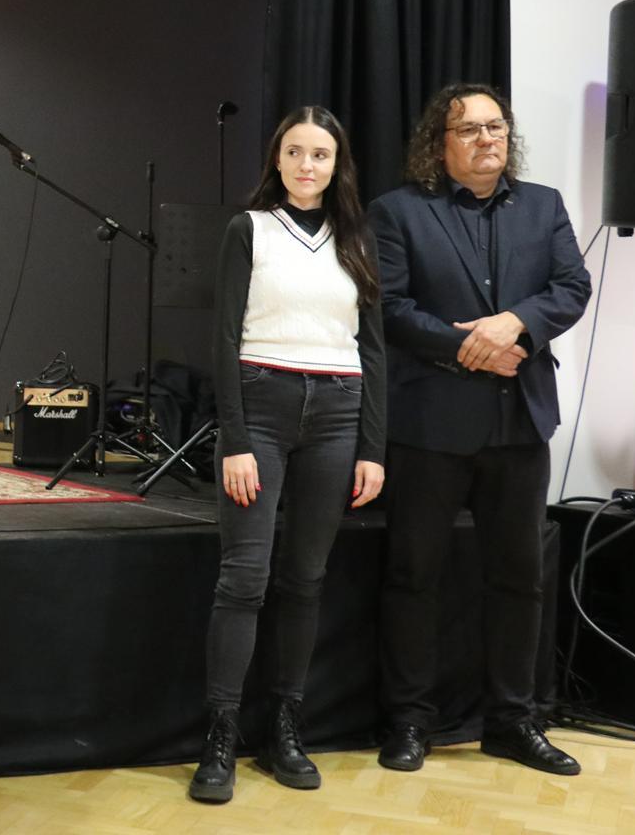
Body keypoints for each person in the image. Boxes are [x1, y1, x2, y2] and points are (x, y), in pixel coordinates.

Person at [369, 84, 591, 776]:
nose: (487, 138)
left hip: (520, 423)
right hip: (430, 425)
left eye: (495, 126)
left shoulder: (545, 205)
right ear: (439, 144)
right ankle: (410, 721)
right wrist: (471, 346)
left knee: (519, 581)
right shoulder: (398, 211)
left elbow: (572, 288)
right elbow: (391, 309)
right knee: (414, 577)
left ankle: (512, 722)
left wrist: (514, 324)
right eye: (468, 129)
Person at [190, 106, 386, 804]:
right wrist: (236, 439)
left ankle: (284, 728)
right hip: (261, 405)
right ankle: (219, 734)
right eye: (296, 152)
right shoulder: (250, 230)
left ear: (337, 165)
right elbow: (223, 339)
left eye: (321, 155)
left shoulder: (357, 236)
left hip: (338, 413)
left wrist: (373, 447)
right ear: (277, 158)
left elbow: (373, 347)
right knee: (244, 578)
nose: (308, 165)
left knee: (305, 578)